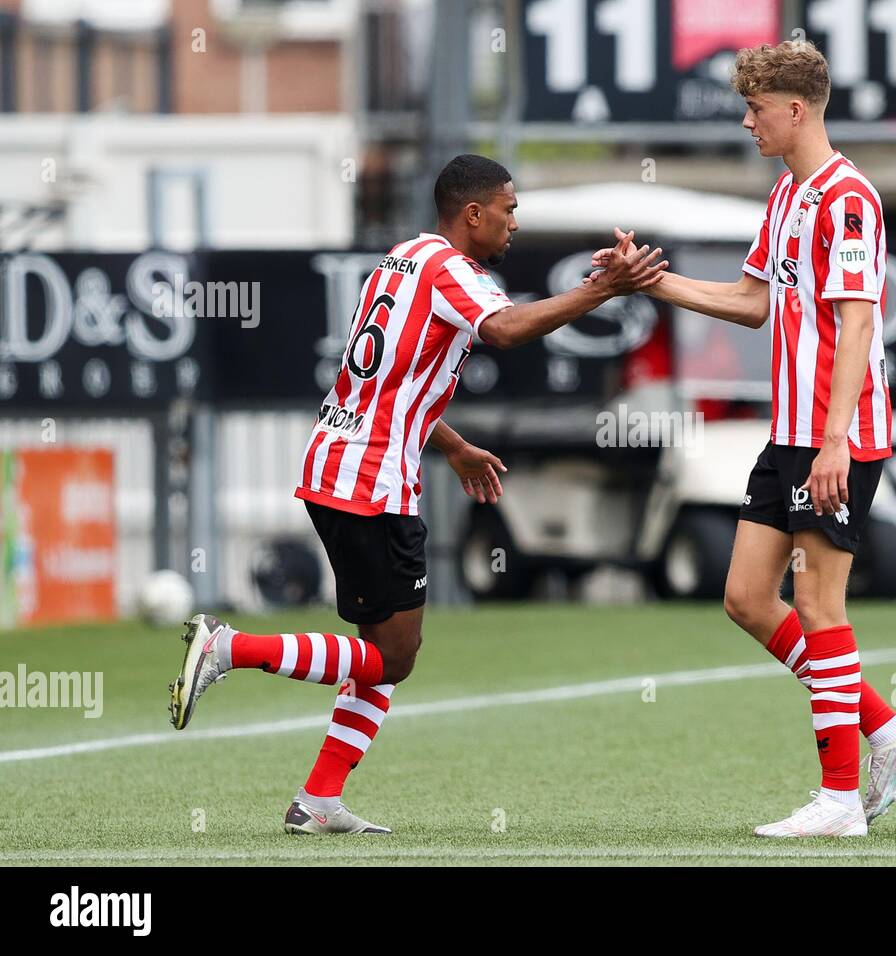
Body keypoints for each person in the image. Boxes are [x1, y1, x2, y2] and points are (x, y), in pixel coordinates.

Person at [167, 153, 667, 834]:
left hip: (339, 465)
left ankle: (317, 801)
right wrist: (604, 292)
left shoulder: (403, 257)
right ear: (473, 213)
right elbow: (508, 329)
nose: (515, 221)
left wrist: (454, 445)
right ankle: (228, 649)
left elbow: (392, 378)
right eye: (509, 208)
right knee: (394, 656)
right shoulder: (453, 271)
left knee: (386, 654)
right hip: (370, 482)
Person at [591, 41, 896, 837]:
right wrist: (647, 279)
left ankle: (841, 801)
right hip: (788, 433)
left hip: (836, 437)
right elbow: (751, 302)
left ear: (796, 109)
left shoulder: (850, 199)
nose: (745, 121)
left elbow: (855, 327)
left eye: (754, 109)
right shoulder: (786, 197)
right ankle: (889, 732)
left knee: (818, 602)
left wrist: (837, 442)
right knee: (747, 598)